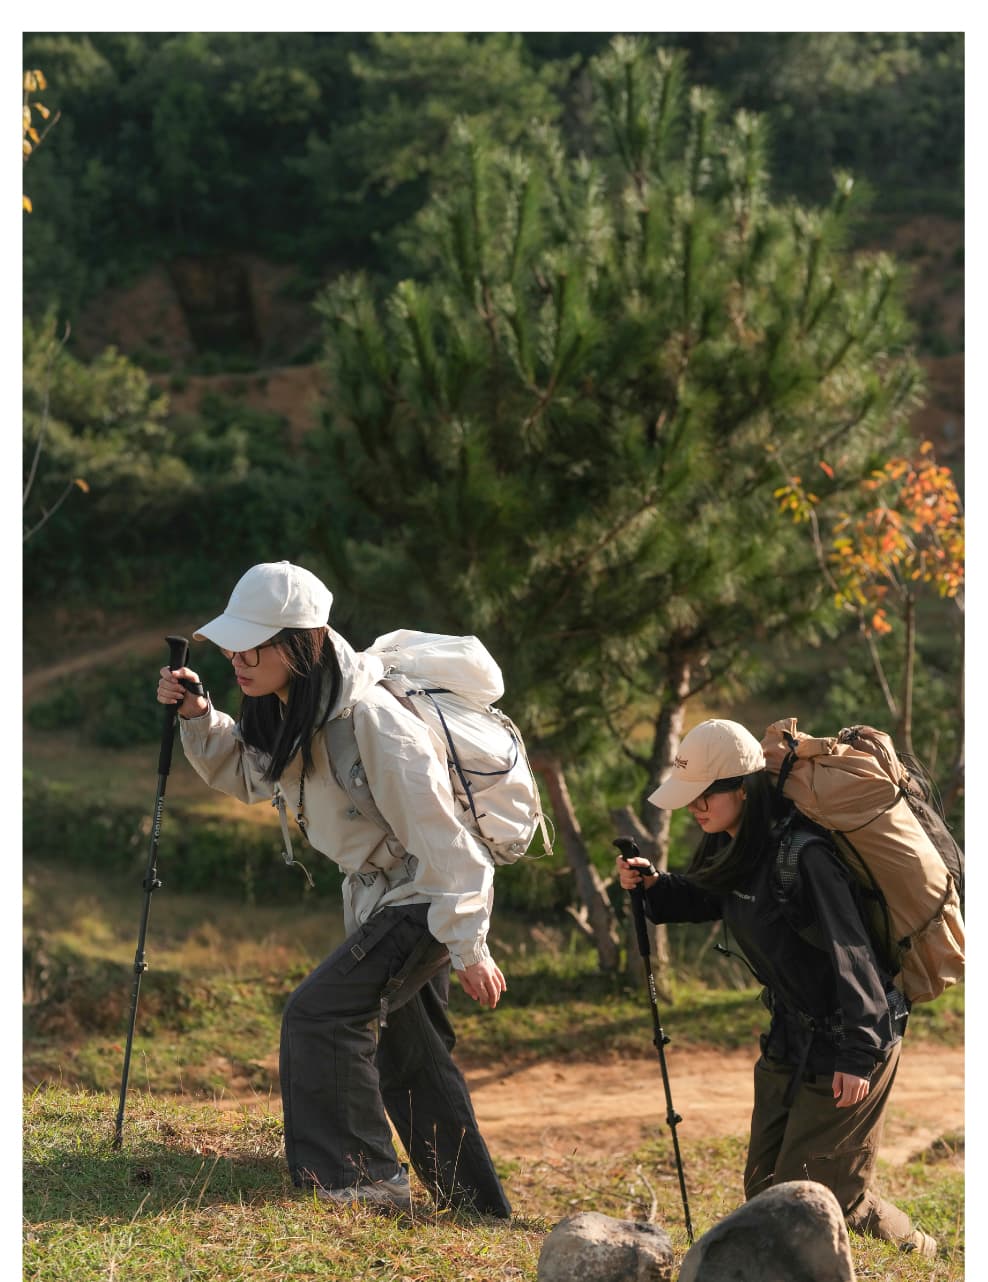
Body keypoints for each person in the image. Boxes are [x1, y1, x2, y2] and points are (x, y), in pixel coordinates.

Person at [156, 560, 511, 1217]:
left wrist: (469, 946)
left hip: (427, 897)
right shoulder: (293, 707)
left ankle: (361, 1184)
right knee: (410, 1052)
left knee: (319, 1014)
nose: (236, 659)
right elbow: (254, 775)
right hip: (383, 898)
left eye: (250, 647)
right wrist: (201, 715)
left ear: (298, 644)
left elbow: (447, 843)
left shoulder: (374, 721)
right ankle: (477, 1210)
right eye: (232, 647)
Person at [616, 718, 937, 1259]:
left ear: (742, 788)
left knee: (815, 1198)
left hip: (853, 1035)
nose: (695, 808)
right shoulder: (731, 846)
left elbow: (853, 951)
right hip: (792, 1032)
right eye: (690, 796)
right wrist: (654, 887)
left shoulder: (803, 855)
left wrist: (858, 1054)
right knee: (766, 1190)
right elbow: (709, 897)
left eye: (705, 795)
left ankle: (920, 1254)